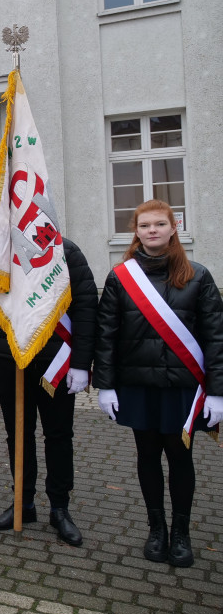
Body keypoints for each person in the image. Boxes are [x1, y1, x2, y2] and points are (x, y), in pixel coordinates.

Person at [93, 200, 223, 568]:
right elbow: (108, 335)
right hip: (138, 386)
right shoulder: (120, 277)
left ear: (172, 228)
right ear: (135, 231)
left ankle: (181, 533)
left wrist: (217, 391)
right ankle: (157, 529)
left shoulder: (198, 275)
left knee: (181, 459)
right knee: (147, 457)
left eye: (159, 224)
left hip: (183, 388)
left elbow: (216, 338)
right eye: (145, 225)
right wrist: (105, 384)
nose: (152, 231)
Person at [0, 237, 96, 547]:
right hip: (11, 360)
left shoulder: (67, 252)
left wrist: (82, 364)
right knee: (18, 434)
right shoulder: (2, 251)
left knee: (58, 436)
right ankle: (24, 502)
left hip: (54, 361)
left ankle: (60, 508)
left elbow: (86, 307)